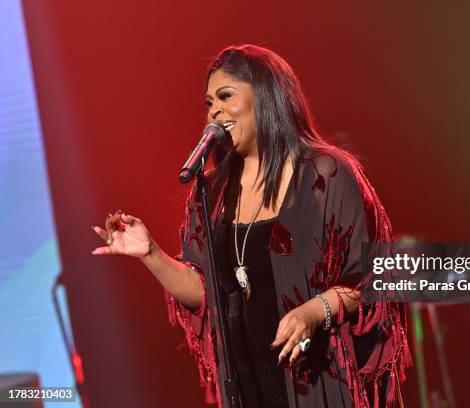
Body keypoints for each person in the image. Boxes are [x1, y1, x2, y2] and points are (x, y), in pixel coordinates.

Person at [92, 44, 411, 407]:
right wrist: (151, 253)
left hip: (319, 381)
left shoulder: (325, 175)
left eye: (225, 96)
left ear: (264, 95)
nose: (214, 110)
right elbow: (206, 290)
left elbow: (376, 280)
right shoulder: (211, 193)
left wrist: (314, 311)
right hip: (249, 389)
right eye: (209, 103)